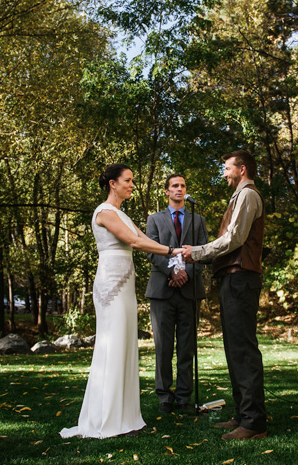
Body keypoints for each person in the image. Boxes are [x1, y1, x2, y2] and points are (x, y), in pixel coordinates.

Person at [60, 163, 183, 439]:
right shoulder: (104, 212)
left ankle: (127, 418)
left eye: (132, 180)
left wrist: (174, 253)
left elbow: (142, 238)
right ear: (113, 183)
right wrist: (174, 251)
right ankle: (107, 421)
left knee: (126, 346)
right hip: (110, 285)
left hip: (126, 284)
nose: (131, 184)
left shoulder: (122, 214)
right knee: (112, 345)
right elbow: (134, 242)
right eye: (127, 180)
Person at [182, 150, 267, 441]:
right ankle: (244, 415)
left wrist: (197, 252)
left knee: (243, 350)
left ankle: (254, 423)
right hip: (233, 279)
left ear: (242, 169)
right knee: (234, 350)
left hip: (241, 279)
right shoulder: (238, 196)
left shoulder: (248, 196)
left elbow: (234, 239)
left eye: (227, 168)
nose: (224, 173)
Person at [145, 174, 208, 414]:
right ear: (166, 192)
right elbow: (151, 250)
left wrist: (186, 274)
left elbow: (204, 251)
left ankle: (183, 398)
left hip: (190, 290)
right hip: (162, 290)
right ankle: (164, 397)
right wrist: (173, 272)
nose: (179, 189)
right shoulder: (154, 219)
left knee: (187, 347)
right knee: (163, 346)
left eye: (182, 185)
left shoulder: (198, 219)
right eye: (174, 186)